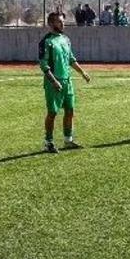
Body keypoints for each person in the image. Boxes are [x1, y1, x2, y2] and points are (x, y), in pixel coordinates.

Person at [38, 12, 91, 153]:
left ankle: (68, 140)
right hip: (53, 83)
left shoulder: (66, 39)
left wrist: (82, 72)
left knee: (70, 110)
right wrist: (54, 81)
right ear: (51, 24)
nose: (63, 24)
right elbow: (43, 65)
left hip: (67, 81)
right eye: (59, 22)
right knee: (52, 113)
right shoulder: (46, 42)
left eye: (63, 22)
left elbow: (71, 59)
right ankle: (48, 142)